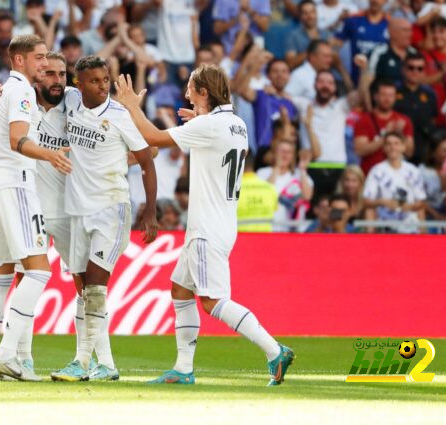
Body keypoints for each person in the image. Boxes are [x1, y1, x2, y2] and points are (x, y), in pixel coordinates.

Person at [115, 64, 296, 386]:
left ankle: (274, 350)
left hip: (206, 228)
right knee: (180, 290)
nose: (186, 93)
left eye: (190, 88)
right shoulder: (236, 124)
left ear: (203, 92)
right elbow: (215, 142)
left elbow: (152, 137)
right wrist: (199, 121)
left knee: (212, 301)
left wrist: (131, 105)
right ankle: (183, 368)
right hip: (222, 222)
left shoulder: (210, 126)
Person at [0, 34, 72, 381]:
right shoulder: (22, 90)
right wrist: (48, 154)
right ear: (20, 60)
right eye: (38, 58)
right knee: (39, 271)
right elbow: (17, 140)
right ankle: (9, 354)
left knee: (0, 275)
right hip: (16, 182)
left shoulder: (4, 88)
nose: (44, 63)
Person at [49, 55, 158, 381]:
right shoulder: (71, 103)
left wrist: (150, 209)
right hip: (77, 210)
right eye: (94, 81)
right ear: (78, 84)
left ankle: (81, 362)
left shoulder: (119, 116)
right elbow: (49, 87)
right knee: (84, 292)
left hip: (112, 209)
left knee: (96, 288)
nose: (102, 86)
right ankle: (107, 365)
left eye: (105, 80)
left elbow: (148, 159)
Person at [294, 69, 360, 200]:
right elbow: (280, 95)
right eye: (321, 81)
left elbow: (361, 94)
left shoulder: (341, 106)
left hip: (337, 166)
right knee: (310, 210)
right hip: (311, 165)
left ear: (335, 87)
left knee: (337, 210)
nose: (325, 86)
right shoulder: (303, 104)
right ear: (314, 84)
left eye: (330, 83)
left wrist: (363, 70)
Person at [363, 132, 426, 233]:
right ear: (384, 148)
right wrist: (383, 202)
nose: (392, 147)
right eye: (389, 144)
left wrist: (409, 206)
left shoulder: (413, 171)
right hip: (384, 229)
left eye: (396, 143)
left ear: (403, 147)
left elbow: (421, 202)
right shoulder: (376, 171)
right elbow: (366, 201)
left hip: (410, 229)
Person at [234, 56, 298, 151]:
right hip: (264, 152)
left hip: (286, 153)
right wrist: (255, 67)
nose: (280, 75)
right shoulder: (262, 95)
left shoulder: (291, 102)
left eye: (284, 71)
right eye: (275, 71)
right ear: (268, 75)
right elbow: (241, 90)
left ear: (289, 76)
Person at [354, 79, 415, 175]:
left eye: (391, 95)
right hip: (369, 174)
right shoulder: (364, 120)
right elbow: (360, 150)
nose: (387, 99)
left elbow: (409, 152)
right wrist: (386, 135)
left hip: (396, 176)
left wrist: (399, 135)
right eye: (384, 95)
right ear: (375, 96)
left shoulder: (403, 120)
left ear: (395, 97)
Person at [393, 51, 438, 164]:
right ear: (403, 69)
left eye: (420, 69)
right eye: (411, 68)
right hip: (398, 149)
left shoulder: (430, 94)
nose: (415, 72)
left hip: (423, 150)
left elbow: (433, 120)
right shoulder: (393, 91)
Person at [257, 140, 313, 231]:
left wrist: (302, 169)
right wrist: (277, 167)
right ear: (274, 153)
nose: (285, 155)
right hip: (269, 227)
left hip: (293, 229)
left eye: (289, 152)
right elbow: (264, 195)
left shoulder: (300, 174)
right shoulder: (262, 173)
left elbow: (307, 196)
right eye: (282, 151)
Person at [334, 0, 389, 83]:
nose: (375, 1)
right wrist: (346, 78)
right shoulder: (354, 20)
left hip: (381, 84)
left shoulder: (390, 23)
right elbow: (334, 48)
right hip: (355, 80)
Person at [284, 0, 329, 70]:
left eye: (312, 12)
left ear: (317, 13)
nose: (310, 16)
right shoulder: (293, 36)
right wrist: (312, 51)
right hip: (303, 76)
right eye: (305, 13)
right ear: (300, 16)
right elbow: (290, 64)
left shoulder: (325, 34)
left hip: (324, 76)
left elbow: (332, 59)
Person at [237, 155, 278, 232]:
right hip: (264, 238)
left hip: (241, 238)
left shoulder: (233, 189)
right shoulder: (269, 187)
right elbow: (275, 209)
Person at [419, 130, 446, 219]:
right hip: (430, 216)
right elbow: (420, 199)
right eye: (444, 150)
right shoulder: (422, 172)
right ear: (433, 153)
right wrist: (437, 216)